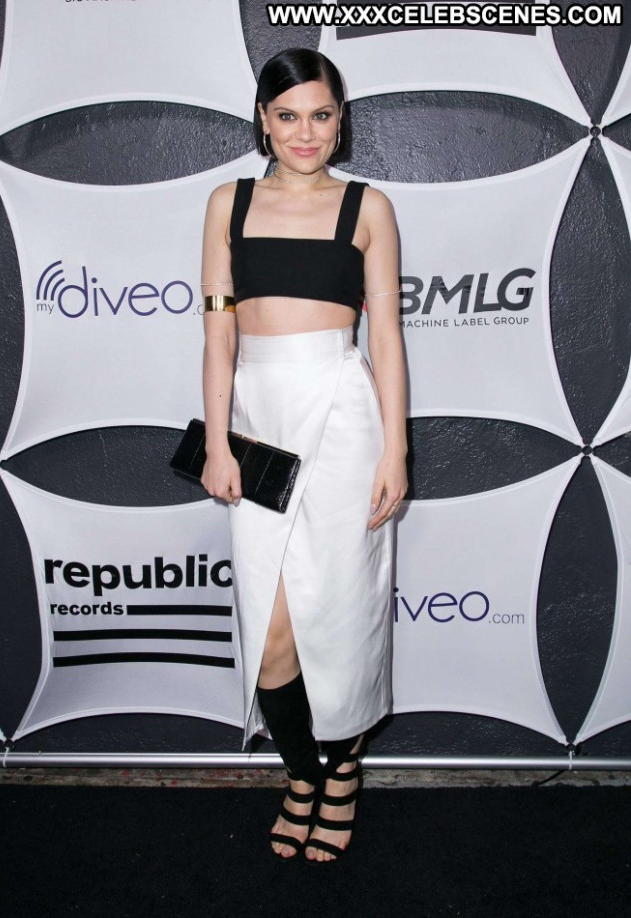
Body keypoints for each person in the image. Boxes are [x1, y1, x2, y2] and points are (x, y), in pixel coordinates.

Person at [200, 47, 407, 863]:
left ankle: (341, 770)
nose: (305, 133)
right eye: (288, 116)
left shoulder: (369, 207)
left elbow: (385, 337)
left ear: (340, 120)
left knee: (344, 611)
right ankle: (301, 772)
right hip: (259, 418)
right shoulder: (227, 203)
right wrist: (216, 441)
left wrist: (397, 449)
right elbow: (218, 335)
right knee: (272, 630)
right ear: (263, 119)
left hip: (346, 416)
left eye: (321, 115)